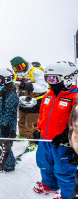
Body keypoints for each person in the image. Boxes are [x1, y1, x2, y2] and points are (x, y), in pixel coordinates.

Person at [32, 61, 78, 199]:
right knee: (43, 163)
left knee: (64, 171)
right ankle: (49, 185)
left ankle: (68, 195)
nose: (50, 82)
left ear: (68, 78)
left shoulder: (74, 97)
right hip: (45, 139)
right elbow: (43, 115)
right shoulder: (49, 94)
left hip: (63, 142)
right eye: (47, 78)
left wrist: (69, 137)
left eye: (54, 78)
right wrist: (38, 130)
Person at [10, 56, 48, 151]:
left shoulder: (36, 72)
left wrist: (29, 86)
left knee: (32, 122)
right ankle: (23, 134)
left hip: (35, 100)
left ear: (25, 63)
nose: (20, 69)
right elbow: (14, 83)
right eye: (16, 68)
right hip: (23, 99)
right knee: (22, 119)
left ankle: (33, 141)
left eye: (21, 66)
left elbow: (43, 87)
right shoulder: (16, 74)